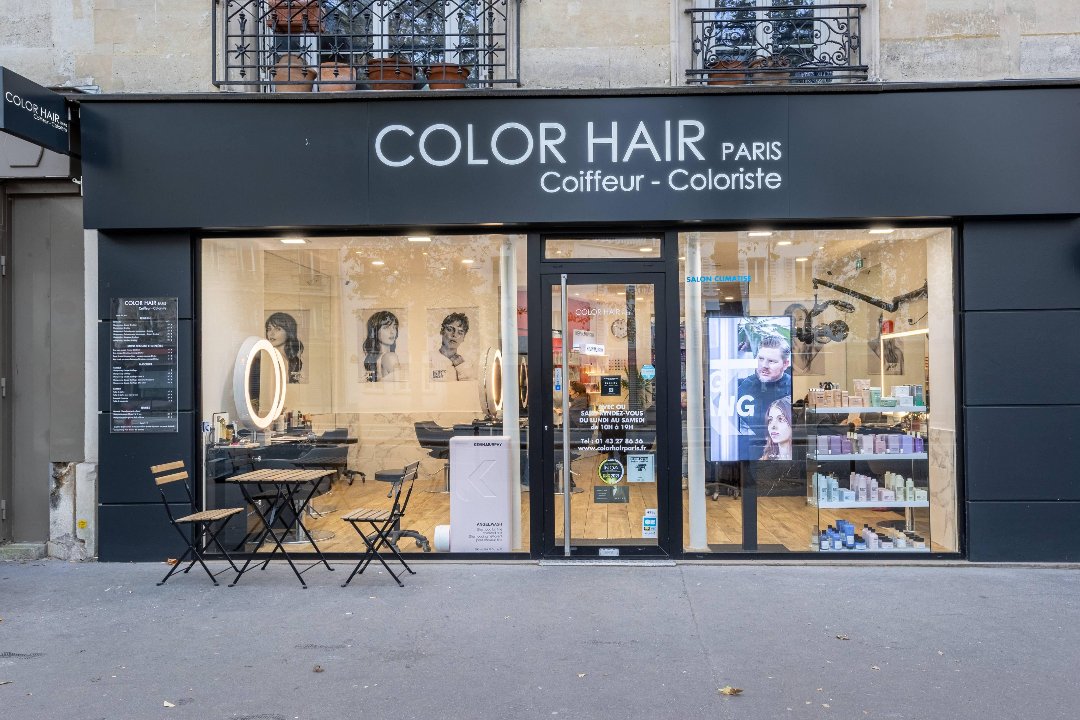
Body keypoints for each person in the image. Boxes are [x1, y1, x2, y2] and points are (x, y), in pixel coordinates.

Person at [736, 333, 792, 459]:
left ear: (785, 363)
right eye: (761, 359)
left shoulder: (791, 388)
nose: (764, 366)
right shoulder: (743, 387)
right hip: (748, 454)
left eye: (771, 361)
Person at [430, 312, 475, 381]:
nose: (454, 335)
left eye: (460, 332)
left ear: (463, 338)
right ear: (442, 331)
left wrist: (461, 366)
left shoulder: (468, 363)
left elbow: (471, 388)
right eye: (450, 329)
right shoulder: (429, 360)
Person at [265, 312, 304, 383]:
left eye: (278, 329)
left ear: (289, 332)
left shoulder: (294, 361)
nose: (271, 333)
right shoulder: (268, 359)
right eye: (269, 329)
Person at [363, 310, 401, 382]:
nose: (392, 331)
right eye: (386, 327)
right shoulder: (390, 357)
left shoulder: (375, 359)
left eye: (394, 327)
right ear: (375, 332)